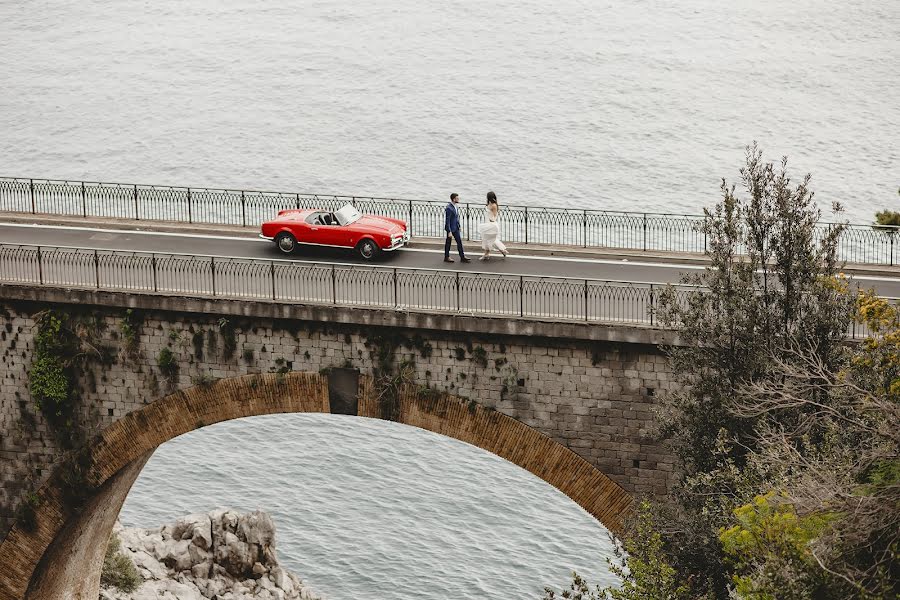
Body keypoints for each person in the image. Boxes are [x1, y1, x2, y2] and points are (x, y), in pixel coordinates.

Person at [479, 191, 508, 260]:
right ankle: (500, 251)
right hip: (487, 223)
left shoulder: (494, 205)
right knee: (487, 239)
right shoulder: (489, 204)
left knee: (490, 240)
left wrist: (491, 219)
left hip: (492, 225)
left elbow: (495, 216)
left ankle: (488, 254)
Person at [444, 193, 470, 263]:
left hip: (456, 228)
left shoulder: (455, 206)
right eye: (457, 198)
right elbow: (447, 220)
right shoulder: (449, 208)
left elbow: (456, 218)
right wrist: (449, 231)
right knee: (448, 243)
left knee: (459, 242)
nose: (458, 199)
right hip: (451, 229)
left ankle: (462, 257)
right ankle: (446, 257)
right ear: (453, 199)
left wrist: (459, 226)